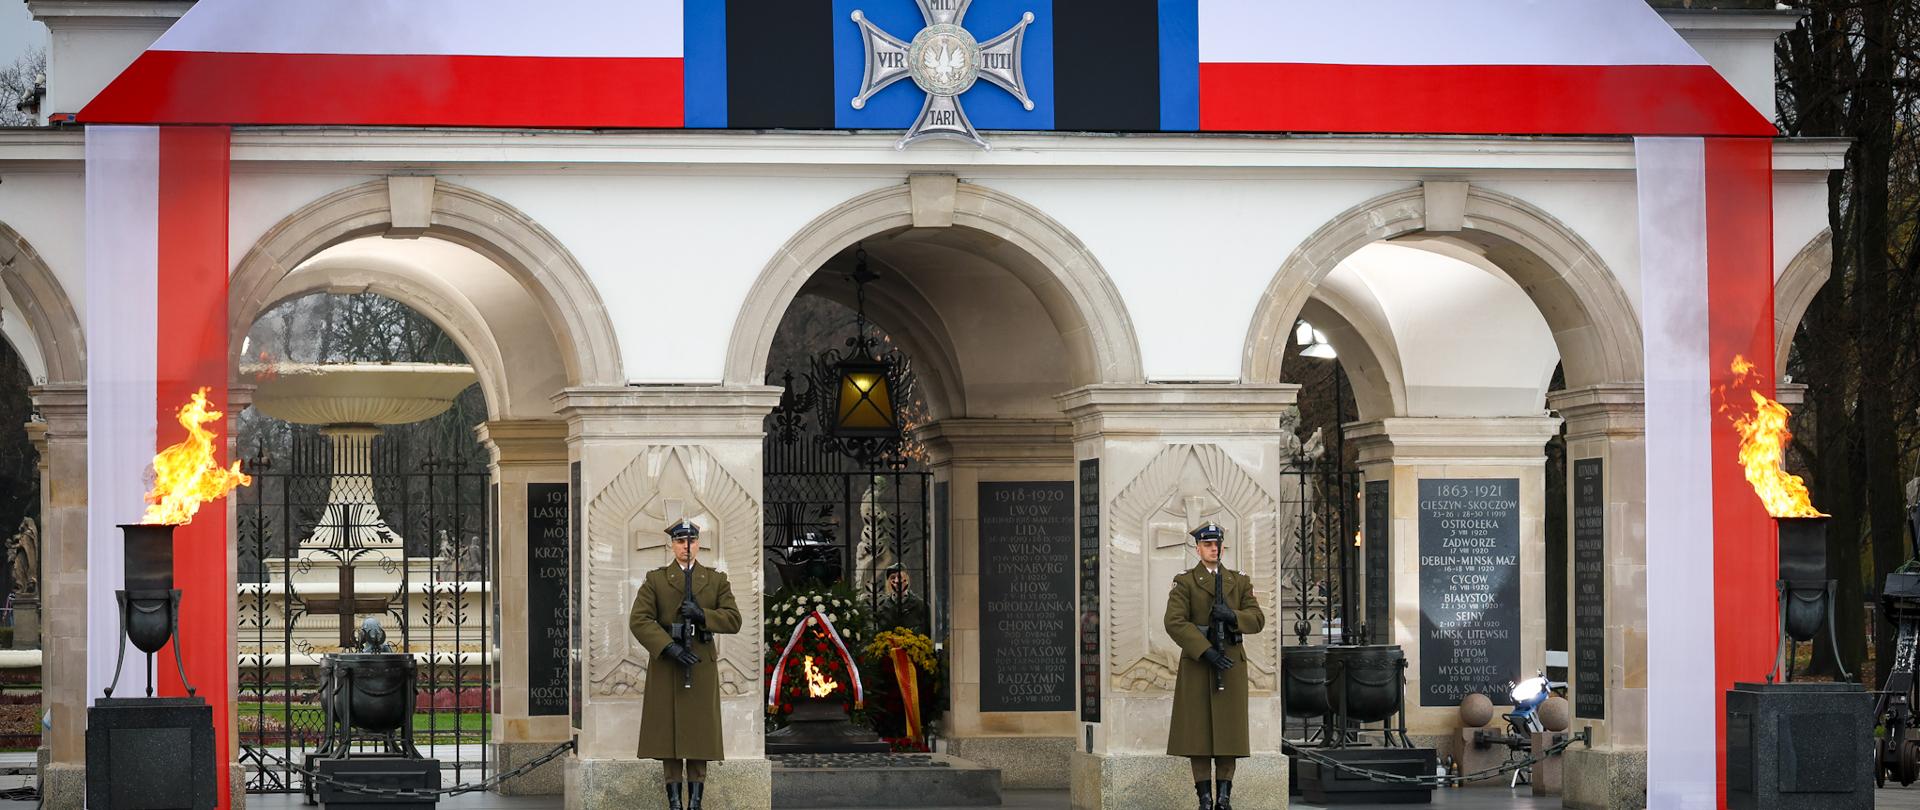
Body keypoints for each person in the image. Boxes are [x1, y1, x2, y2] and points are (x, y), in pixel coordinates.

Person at [630, 519, 742, 810]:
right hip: (668, 665)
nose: (686, 547)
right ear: (672, 545)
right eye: (680, 541)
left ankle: (694, 802)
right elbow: (639, 620)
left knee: (699, 733)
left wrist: (703, 614)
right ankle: (674, 803)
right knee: (668, 736)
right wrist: (669, 647)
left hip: (700, 664)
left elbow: (733, 619)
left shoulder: (716, 580)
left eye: (690, 541)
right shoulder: (656, 580)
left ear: (698, 544)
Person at [1164, 522, 1265, 810]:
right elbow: (1174, 621)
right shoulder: (1185, 582)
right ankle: (1204, 799)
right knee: (1197, 736)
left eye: (1216, 544)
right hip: (1199, 664)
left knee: (1228, 734)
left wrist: (1232, 616)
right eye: (1207, 544)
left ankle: (1224, 798)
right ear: (1198, 548)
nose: (1213, 549)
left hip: (1230, 664)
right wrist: (1206, 651)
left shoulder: (1239, 581)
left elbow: (1257, 619)